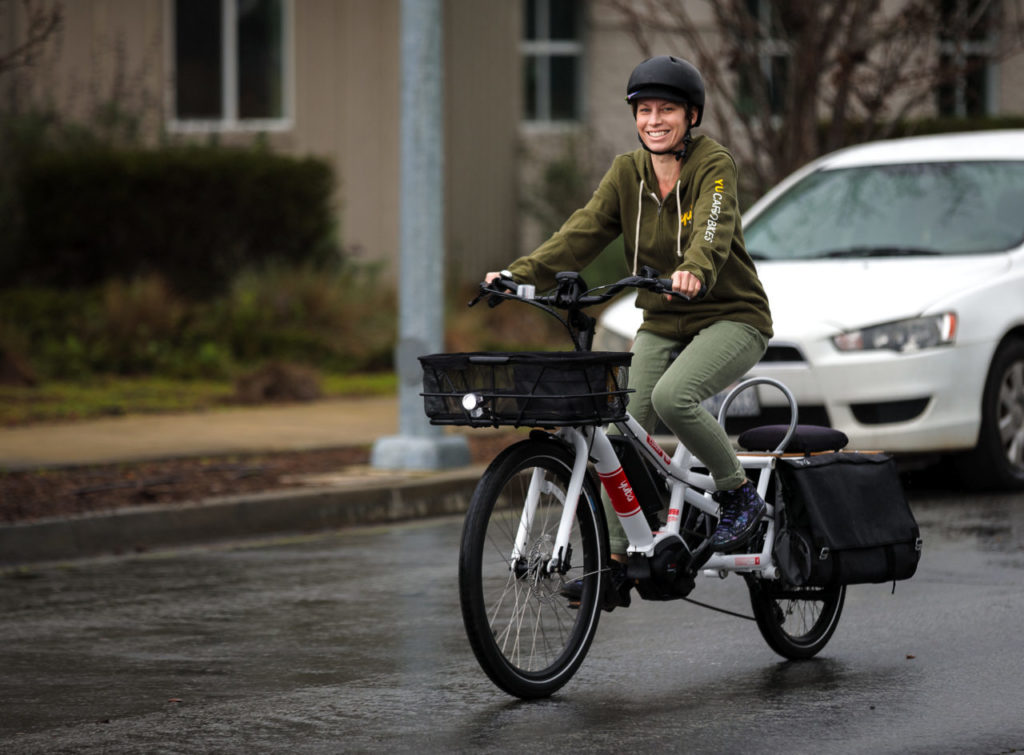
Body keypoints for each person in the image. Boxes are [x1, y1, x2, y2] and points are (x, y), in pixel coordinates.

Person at [485, 55, 773, 606]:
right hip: (662, 320)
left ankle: (739, 497)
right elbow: (582, 231)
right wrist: (519, 275)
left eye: (667, 109)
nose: (654, 120)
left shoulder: (715, 165)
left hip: (731, 316)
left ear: (691, 116)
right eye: (644, 110)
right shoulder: (627, 173)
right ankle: (617, 561)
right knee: (618, 434)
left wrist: (695, 271)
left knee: (673, 397)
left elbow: (712, 229)